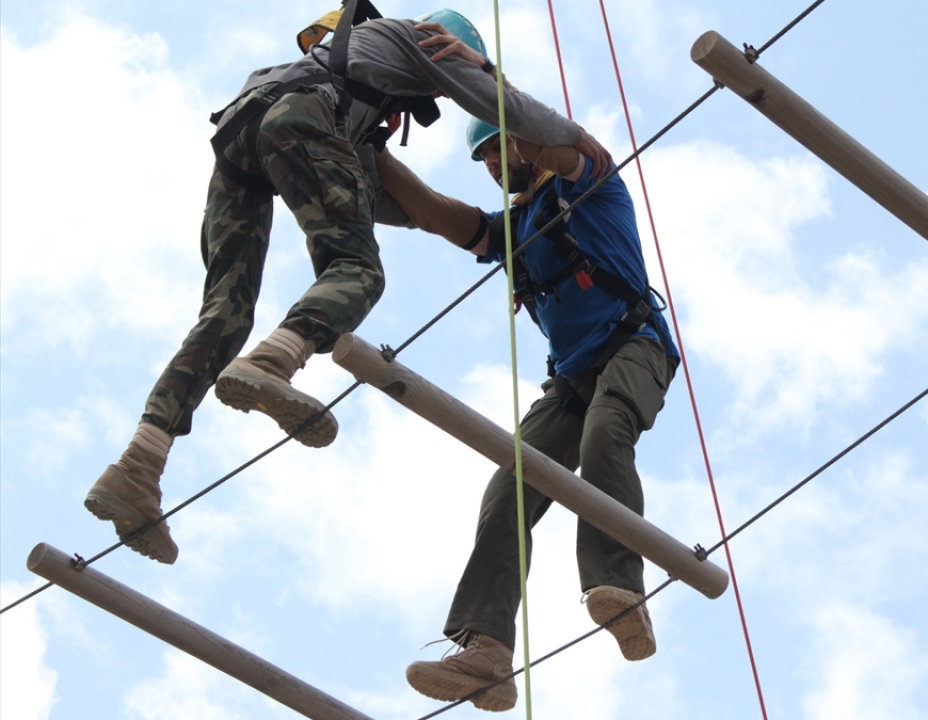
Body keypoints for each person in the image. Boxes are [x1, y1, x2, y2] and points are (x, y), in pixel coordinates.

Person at [83, 7, 612, 566]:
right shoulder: (419, 38)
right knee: (358, 271)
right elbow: (499, 107)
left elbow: (375, 200)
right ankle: (271, 362)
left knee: (225, 311)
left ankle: (138, 467)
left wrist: (416, 199)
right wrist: (565, 128)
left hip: (241, 130)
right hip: (295, 118)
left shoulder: (352, 88)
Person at [373, 109, 681, 711]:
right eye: (482, 157)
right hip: (568, 380)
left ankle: (619, 588)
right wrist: (379, 157)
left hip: (633, 345)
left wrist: (484, 81)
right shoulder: (514, 227)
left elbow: (560, 145)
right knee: (507, 488)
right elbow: (438, 216)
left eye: (497, 148)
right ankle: (486, 649)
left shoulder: (589, 182)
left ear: (527, 143)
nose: (491, 164)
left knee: (606, 434)